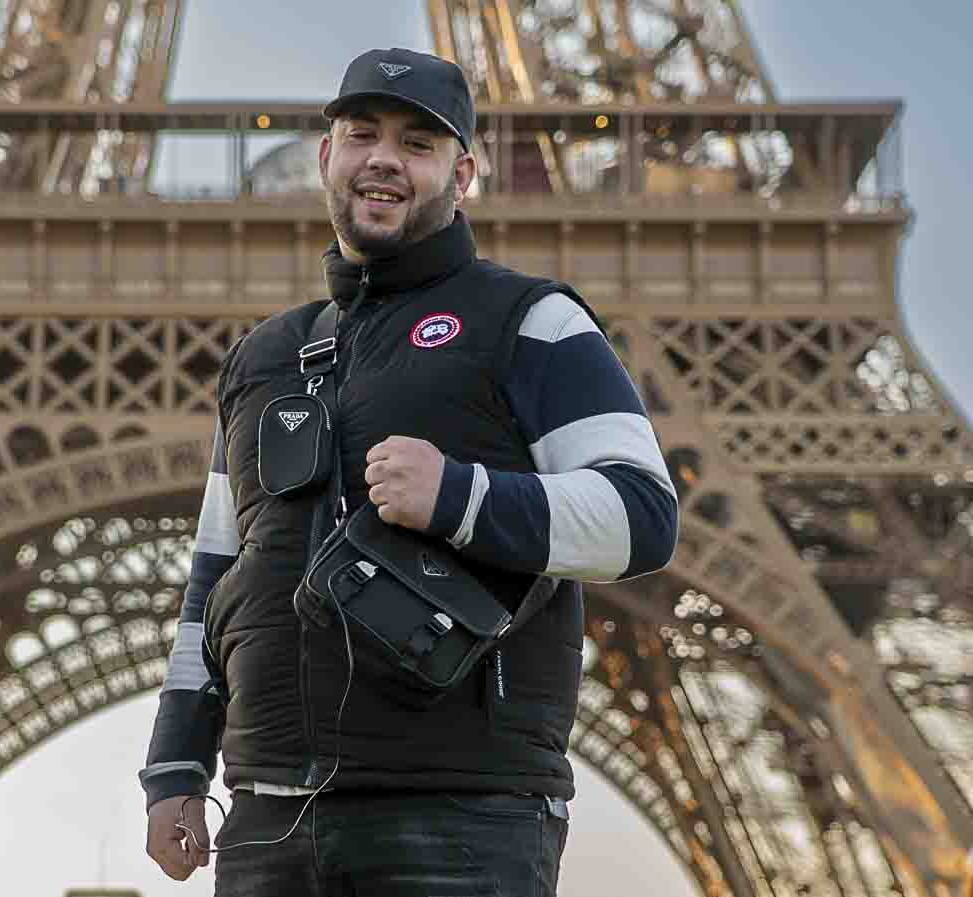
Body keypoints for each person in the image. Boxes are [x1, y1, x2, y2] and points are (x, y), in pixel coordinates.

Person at [140, 47, 679, 896]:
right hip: (267, 821)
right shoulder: (264, 356)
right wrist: (175, 767)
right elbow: (215, 578)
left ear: (462, 174)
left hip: (461, 820)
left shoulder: (530, 321)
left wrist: (459, 496)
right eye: (361, 134)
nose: (383, 156)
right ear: (327, 157)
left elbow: (643, 514)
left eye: (418, 143)